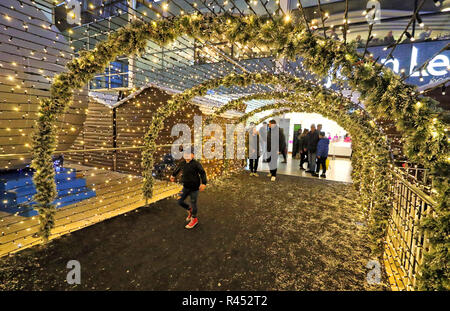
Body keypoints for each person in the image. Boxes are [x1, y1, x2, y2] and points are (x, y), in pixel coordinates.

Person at [170, 149, 207, 229]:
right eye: (185, 154)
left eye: (189, 154)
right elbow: (177, 169)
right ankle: (189, 210)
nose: (187, 155)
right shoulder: (182, 163)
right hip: (185, 187)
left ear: (193, 155)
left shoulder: (196, 164)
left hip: (194, 188)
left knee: (193, 203)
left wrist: (204, 183)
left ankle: (194, 219)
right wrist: (173, 175)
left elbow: (202, 173)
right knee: (179, 201)